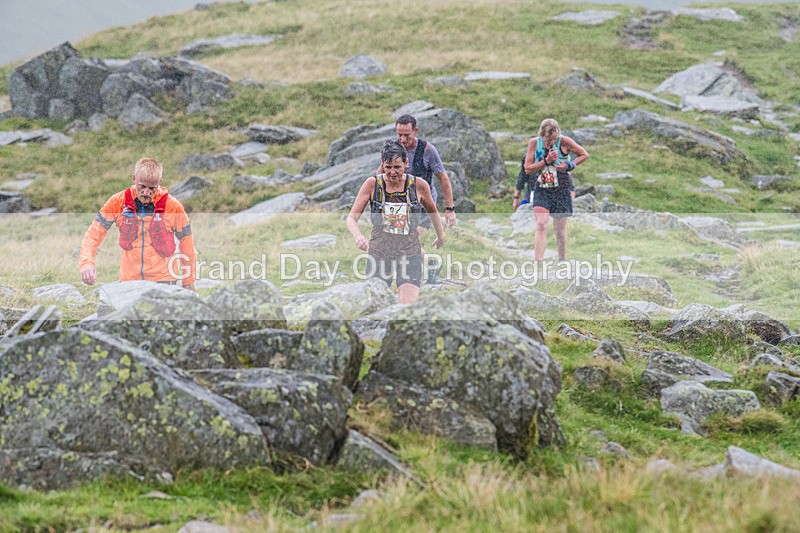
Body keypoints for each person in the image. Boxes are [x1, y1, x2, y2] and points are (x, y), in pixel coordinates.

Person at [349, 140, 445, 304]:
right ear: (382, 164)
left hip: (409, 253)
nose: (392, 172)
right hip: (379, 254)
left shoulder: (419, 185)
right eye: (388, 167)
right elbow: (352, 218)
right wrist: (358, 236)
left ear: (406, 163)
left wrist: (441, 235)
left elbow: (432, 211)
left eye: (397, 167)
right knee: (374, 306)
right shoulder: (372, 184)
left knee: (406, 307)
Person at [79, 158, 197, 290]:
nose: (146, 192)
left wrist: (188, 281)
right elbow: (93, 234)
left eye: (152, 188)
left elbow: (187, 243)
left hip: (164, 281)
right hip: (129, 281)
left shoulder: (173, 206)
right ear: (134, 179)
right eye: (142, 186)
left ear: (159, 182)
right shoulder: (117, 201)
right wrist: (86, 263)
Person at [523, 118, 589, 261]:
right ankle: (538, 264)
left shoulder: (564, 141)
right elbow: (527, 169)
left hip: (562, 189)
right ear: (542, 135)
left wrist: (568, 165)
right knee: (541, 224)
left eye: (554, 139)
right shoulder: (534, 143)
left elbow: (584, 154)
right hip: (542, 189)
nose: (551, 142)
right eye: (548, 140)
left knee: (559, 231)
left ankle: (562, 260)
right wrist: (545, 161)